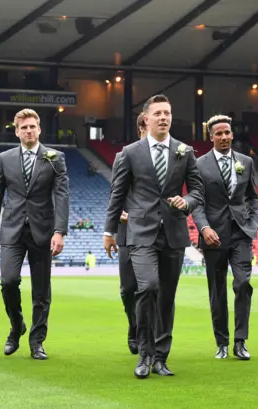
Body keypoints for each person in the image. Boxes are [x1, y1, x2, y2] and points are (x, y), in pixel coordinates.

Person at [103, 94, 205, 378]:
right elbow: (117, 195)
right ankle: (145, 354)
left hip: (174, 233)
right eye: (158, 113)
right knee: (147, 288)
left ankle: (161, 357)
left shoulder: (185, 151)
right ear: (146, 119)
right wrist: (109, 230)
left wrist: (188, 203)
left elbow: (197, 190)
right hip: (140, 233)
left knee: (167, 297)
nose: (164, 117)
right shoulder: (129, 153)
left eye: (168, 113)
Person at [0, 108, 69, 360]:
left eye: (33, 126)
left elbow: (62, 195)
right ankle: (16, 325)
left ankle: (37, 341)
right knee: (8, 281)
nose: (29, 131)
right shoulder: (5, 158)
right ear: (17, 131)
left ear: (39, 129)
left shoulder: (55, 158)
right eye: (24, 127)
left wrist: (59, 231)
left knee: (41, 290)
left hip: (43, 231)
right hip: (11, 229)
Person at [191, 114, 258, 360]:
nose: (224, 137)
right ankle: (221, 342)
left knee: (243, 284)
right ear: (211, 137)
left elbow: (252, 196)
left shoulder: (246, 162)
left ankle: (240, 342)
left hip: (241, 233)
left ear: (232, 134)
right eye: (218, 134)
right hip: (213, 236)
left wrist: (253, 224)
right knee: (217, 290)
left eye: (227, 133)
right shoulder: (198, 165)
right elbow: (197, 202)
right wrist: (203, 228)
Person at [112, 113, 148, 355]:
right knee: (127, 289)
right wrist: (119, 215)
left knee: (150, 288)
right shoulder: (123, 156)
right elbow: (116, 191)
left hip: (155, 230)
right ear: (141, 128)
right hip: (128, 230)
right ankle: (133, 324)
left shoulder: (170, 155)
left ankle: (149, 337)